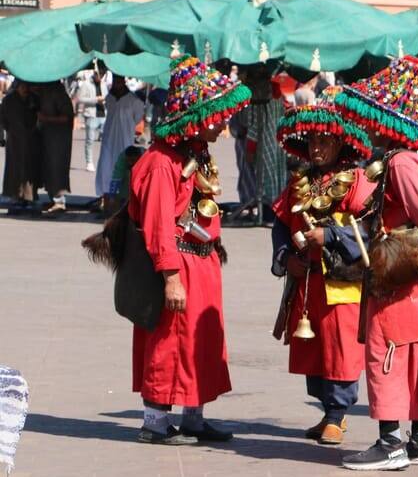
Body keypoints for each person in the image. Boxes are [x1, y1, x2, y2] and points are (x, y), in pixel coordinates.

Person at [333, 56, 418, 471]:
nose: (369, 127)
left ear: (389, 120)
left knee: (386, 351)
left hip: (403, 276)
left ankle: (391, 442)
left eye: (374, 119)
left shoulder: (402, 162)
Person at [127, 55, 251, 445]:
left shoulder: (194, 153)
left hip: (202, 262)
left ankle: (194, 417)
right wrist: (171, 277)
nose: (224, 123)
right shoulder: (161, 163)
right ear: (196, 116)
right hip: (178, 264)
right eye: (217, 116)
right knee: (169, 343)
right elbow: (159, 225)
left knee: (200, 342)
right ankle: (155, 423)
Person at [270, 90, 375, 445]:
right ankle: (328, 411)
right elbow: (282, 223)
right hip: (307, 281)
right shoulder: (300, 182)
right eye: (312, 140)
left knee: (341, 347)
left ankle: (337, 414)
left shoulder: (359, 181)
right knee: (313, 350)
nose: (316, 148)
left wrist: (328, 236)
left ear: (341, 143)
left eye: (324, 140)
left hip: (342, 281)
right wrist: (287, 258)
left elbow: (370, 228)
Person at [243, 68, 288, 223]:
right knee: (279, 178)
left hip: (265, 144)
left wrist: (250, 149)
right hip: (279, 144)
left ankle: (267, 212)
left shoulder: (258, 99)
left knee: (266, 178)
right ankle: (277, 210)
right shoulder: (279, 97)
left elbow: (253, 127)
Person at [96, 75, 145, 198]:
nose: (116, 84)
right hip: (108, 139)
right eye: (115, 81)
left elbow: (138, 117)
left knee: (122, 166)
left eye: (119, 81)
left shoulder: (134, 100)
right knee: (106, 165)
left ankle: (121, 197)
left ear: (123, 81)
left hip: (124, 139)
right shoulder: (110, 97)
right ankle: (105, 196)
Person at [36, 81, 75, 214]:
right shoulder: (45, 93)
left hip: (58, 140)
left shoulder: (58, 94)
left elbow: (66, 117)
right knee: (48, 168)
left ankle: (59, 201)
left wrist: (46, 118)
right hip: (48, 138)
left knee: (56, 168)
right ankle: (53, 198)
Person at [1, 81, 39, 207]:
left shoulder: (33, 99)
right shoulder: (8, 100)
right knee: (14, 167)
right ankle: (14, 194)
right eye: (22, 86)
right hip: (15, 139)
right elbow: (2, 118)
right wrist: (9, 130)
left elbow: (37, 116)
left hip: (30, 138)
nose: (25, 89)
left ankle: (29, 196)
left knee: (29, 168)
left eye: (26, 86)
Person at [75, 70, 109, 172]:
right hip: (91, 115)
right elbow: (80, 98)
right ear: (95, 73)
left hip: (103, 114)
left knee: (105, 140)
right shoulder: (86, 84)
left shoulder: (104, 84)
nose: (100, 76)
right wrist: (95, 99)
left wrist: (105, 100)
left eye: (102, 74)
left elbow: (107, 96)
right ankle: (89, 162)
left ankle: (104, 162)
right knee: (90, 140)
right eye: (99, 74)